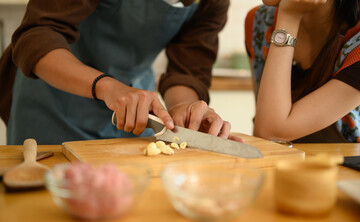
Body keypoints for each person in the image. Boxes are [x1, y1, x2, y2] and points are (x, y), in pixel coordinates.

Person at [0, 0, 238, 145]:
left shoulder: (212, 2)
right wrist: (108, 87)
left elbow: (187, 69)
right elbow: (38, 35)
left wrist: (185, 110)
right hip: (53, 101)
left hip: (134, 111)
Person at [245, 0, 360, 143]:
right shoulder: (259, 21)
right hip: (277, 164)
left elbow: (271, 132)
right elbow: (267, 135)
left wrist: (289, 17)